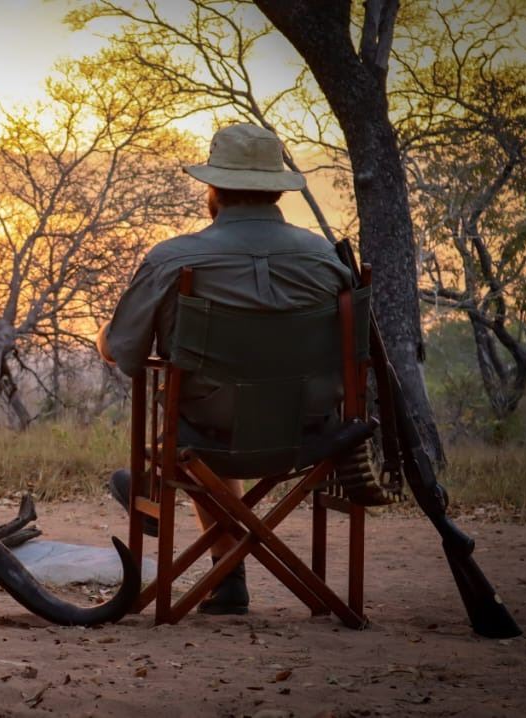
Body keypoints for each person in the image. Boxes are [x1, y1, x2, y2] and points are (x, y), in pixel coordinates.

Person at [95, 124, 351, 615]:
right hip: (312, 433)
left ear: (213, 188)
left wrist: (104, 337)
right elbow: (353, 354)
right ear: (277, 190)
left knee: (200, 425)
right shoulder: (328, 261)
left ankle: (157, 488)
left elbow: (123, 353)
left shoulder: (174, 258)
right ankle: (227, 578)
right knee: (213, 419)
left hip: (210, 432)